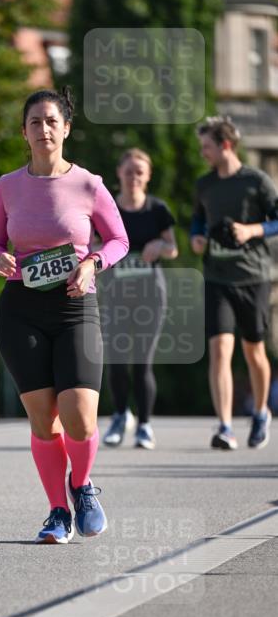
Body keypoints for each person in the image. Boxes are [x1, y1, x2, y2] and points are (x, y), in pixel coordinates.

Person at [0, 88, 129, 544]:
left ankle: (82, 486)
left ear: (65, 128)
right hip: (21, 310)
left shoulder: (89, 184)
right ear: (24, 132)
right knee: (45, 422)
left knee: (81, 416)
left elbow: (118, 240)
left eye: (51, 121)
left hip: (74, 307)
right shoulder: (7, 186)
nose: (43, 129)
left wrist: (92, 263)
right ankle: (56, 512)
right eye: (34, 122)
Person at [190, 116, 278, 450]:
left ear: (225, 145)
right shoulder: (204, 184)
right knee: (219, 350)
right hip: (216, 277)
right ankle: (224, 426)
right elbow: (198, 218)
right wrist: (197, 237)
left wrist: (251, 230)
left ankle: (259, 411)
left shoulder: (256, 181)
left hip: (253, 276)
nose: (203, 154)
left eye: (207, 147)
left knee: (253, 350)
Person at [101, 148, 178, 450]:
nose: (133, 177)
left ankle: (144, 425)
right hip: (117, 295)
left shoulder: (157, 209)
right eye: (129, 170)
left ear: (148, 176)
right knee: (117, 362)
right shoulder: (107, 208)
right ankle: (120, 416)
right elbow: (93, 243)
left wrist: (159, 245)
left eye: (140, 172)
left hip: (150, 296)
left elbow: (173, 248)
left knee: (142, 363)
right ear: (119, 173)